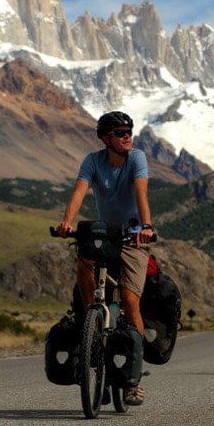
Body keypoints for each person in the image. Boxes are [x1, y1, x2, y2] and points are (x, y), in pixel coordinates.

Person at [56, 111, 155, 406]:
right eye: (121, 132)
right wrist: (67, 223)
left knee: (129, 299)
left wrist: (146, 227)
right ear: (105, 138)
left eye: (129, 130)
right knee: (84, 260)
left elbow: (141, 193)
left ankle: (133, 380)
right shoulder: (92, 161)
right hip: (106, 234)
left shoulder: (136, 158)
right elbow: (79, 192)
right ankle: (91, 324)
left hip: (133, 238)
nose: (128, 135)